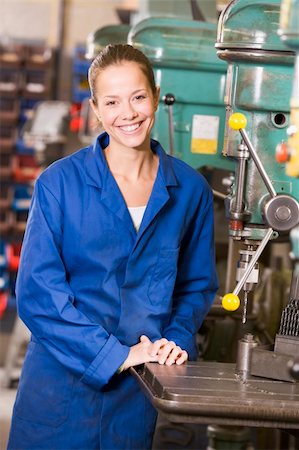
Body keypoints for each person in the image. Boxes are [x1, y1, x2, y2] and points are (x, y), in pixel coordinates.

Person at [8, 44, 218, 450]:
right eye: (112, 101)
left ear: (156, 95)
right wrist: (115, 356)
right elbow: (38, 295)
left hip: (137, 393)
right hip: (60, 390)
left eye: (138, 96)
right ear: (96, 109)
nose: (129, 113)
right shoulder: (59, 184)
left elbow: (195, 287)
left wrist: (173, 341)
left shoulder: (191, 190)